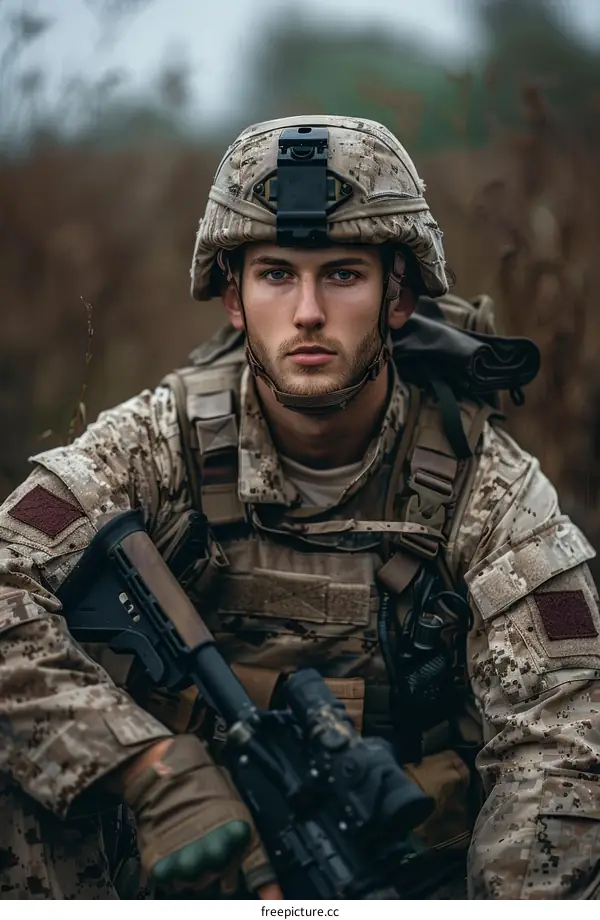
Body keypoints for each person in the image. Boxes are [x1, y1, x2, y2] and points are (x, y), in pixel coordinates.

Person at [1, 114, 600, 901]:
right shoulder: (159, 442)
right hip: (184, 858)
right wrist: (143, 768)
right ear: (233, 300)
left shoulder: (487, 490)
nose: (308, 311)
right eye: (276, 273)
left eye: (343, 274)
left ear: (398, 297)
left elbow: (564, 739)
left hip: (404, 870)